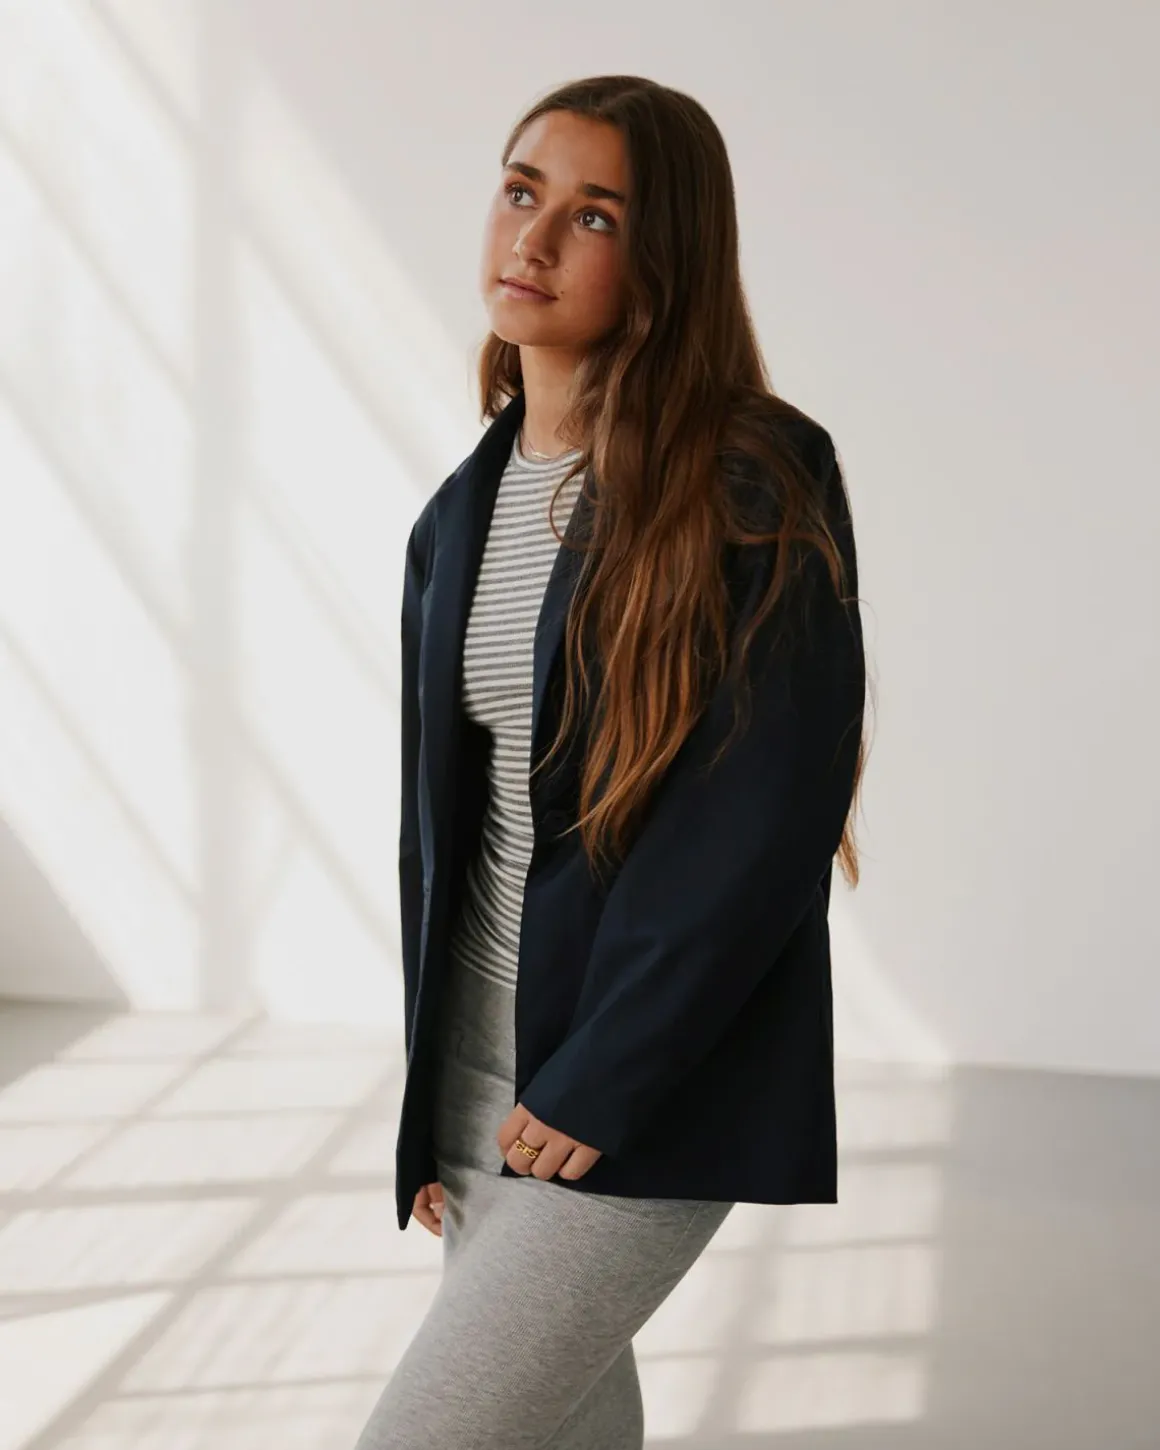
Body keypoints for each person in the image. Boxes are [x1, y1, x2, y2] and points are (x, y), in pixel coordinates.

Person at [354, 73, 869, 1450]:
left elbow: (764, 818)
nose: (531, 237)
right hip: (482, 1063)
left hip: (637, 1071)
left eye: (593, 216)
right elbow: (439, 837)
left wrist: (606, 1073)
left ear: (662, 259)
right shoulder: (459, 513)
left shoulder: (752, 478)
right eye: (521, 190)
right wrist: (430, 1095)